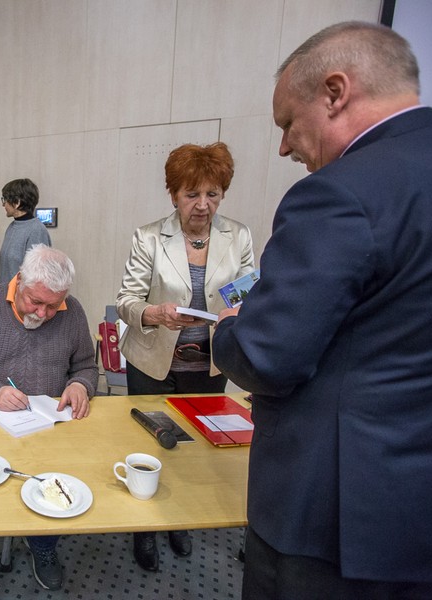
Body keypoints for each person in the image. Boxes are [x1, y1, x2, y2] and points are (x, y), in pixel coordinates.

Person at [212, 22, 432, 598]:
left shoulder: (341, 192)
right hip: (423, 506)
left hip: (329, 512)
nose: (285, 146)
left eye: (289, 122)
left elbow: (267, 356)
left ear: (335, 92)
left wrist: (228, 331)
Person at [115, 141, 254, 572]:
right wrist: (153, 313)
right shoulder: (149, 236)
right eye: (192, 194)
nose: (202, 205)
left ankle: (181, 522)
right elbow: (126, 301)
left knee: (195, 447)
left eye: (212, 194)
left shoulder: (239, 236)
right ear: (173, 194)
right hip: (153, 361)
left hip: (210, 364)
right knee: (150, 443)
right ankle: (146, 529)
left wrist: (240, 310)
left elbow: (247, 291)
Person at [0, 244, 97, 591]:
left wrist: (80, 385)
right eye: (34, 301)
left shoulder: (73, 312)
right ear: (19, 281)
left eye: (52, 306)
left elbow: (86, 364)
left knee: (53, 479)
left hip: (49, 423)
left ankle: (42, 544)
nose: (41, 313)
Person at [0, 178, 52, 284]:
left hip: (22, 298)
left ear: (17, 202)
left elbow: (38, 276)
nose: (3, 204)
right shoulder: (12, 227)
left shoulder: (36, 230)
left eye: (5, 199)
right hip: (6, 294)